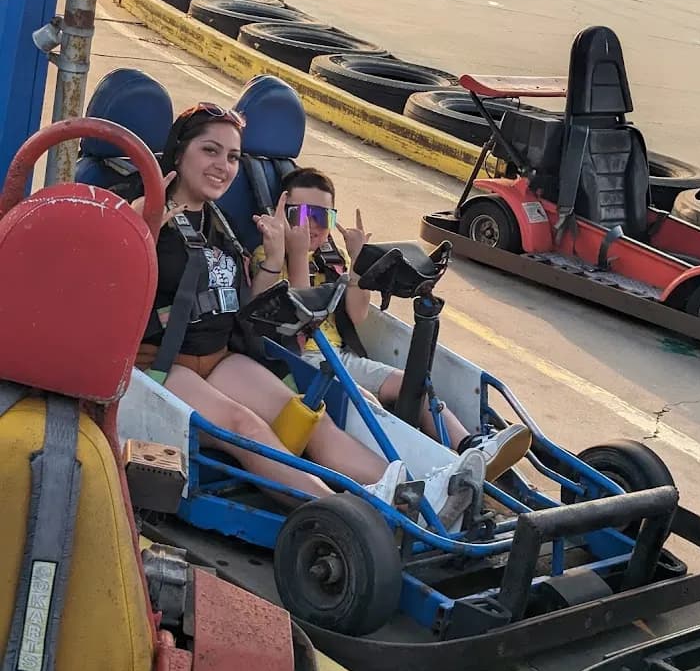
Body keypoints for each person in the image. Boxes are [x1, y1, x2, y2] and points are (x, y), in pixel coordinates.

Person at [129, 102, 483, 526]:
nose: (223, 166)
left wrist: (273, 259)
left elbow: (250, 309)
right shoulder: (142, 213)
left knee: (308, 421)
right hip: (161, 365)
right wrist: (138, 240)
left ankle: (416, 496)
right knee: (247, 427)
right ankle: (343, 518)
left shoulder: (219, 222)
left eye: (232, 156)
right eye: (210, 151)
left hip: (220, 356)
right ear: (179, 152)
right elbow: (104, 301)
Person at [263, 167, 531, 483]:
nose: (312, 227)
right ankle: (432, 472)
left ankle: (470, 445)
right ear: (281, 214)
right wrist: (295, 255)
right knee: (367, 402)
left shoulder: (329, 260)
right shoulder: (271, 255)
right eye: (302, 215)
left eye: (323, 218)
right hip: (301, 365)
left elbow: (358, 317)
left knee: (410, 383)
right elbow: (296, 317)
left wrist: (358, 265)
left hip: (340, 357)